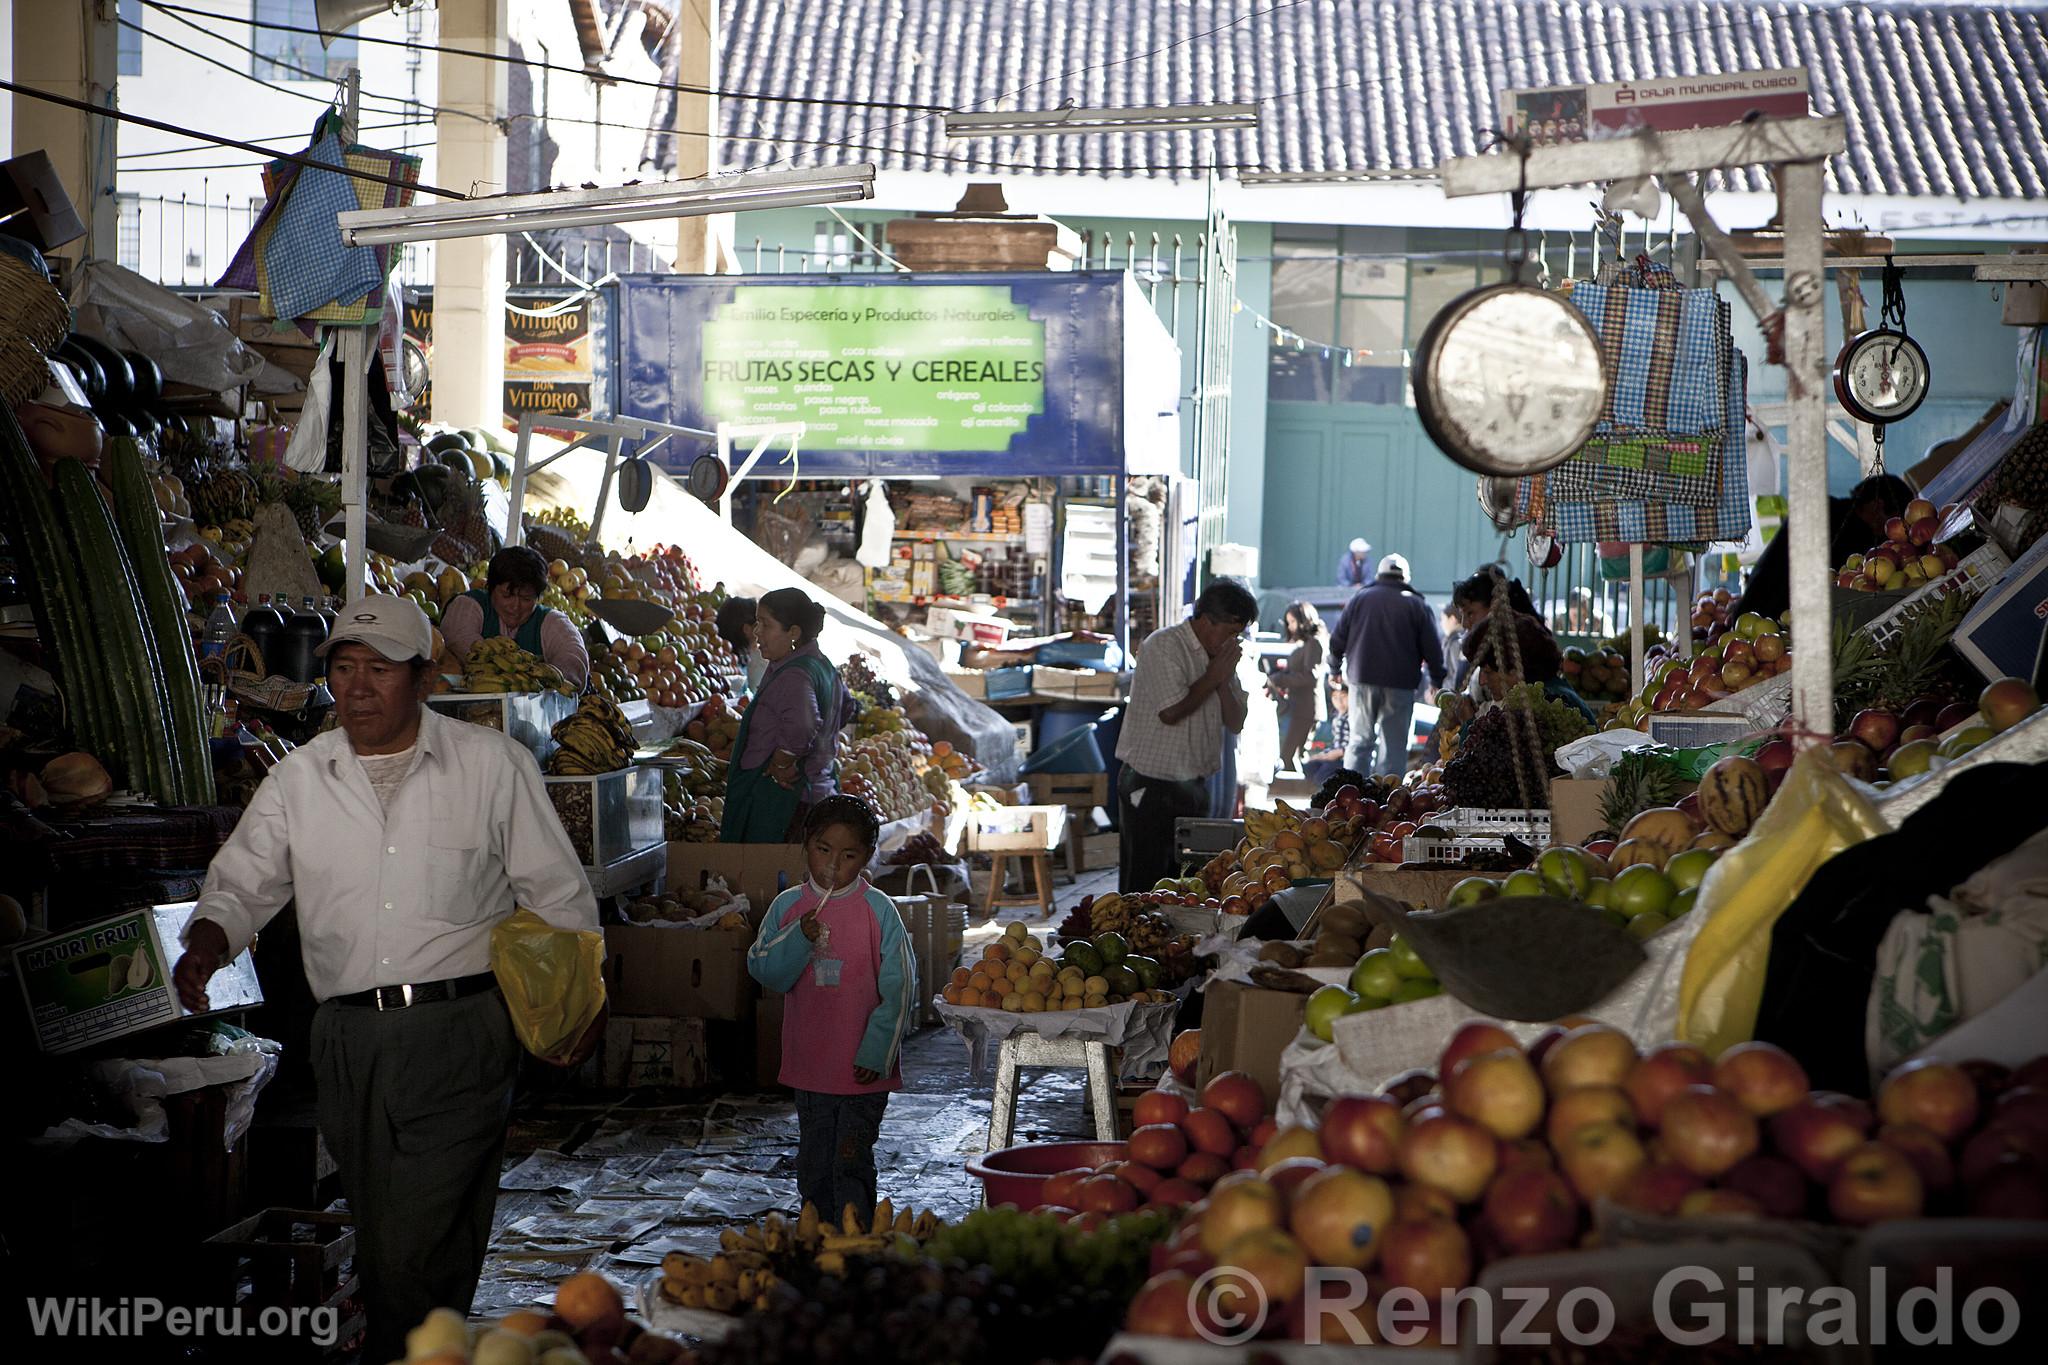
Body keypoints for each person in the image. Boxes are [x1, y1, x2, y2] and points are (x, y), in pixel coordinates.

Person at [170, 596, 598, 1365]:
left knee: (412, 1243)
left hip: (460, 1031)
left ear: (425, 678)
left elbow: (562, 902)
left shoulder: (492, 767)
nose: (357, 686)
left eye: (379, 669)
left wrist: (574, 1010)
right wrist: (205, 944)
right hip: (347, 1042)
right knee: (392, 1233)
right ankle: (432, 1345)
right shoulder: (301, 779)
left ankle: (406, 1350)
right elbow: (241, 883)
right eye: (343, 668)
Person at [746, 796, 914, 1220]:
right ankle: (817, 1238)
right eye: (824, 850)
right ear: (807, 845)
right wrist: (798, 938)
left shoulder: (879, 912)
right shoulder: (788, 908)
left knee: (852, 1161)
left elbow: (900, 988)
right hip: (811, 1069)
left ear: (867, 857)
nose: (833, 864)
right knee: (814, 1163)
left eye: (849, 854)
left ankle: (855, 1240)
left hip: (864, 1072)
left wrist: (878, 1051)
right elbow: (767, 971)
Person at [1116, 579, 1256, 894]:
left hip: (1195, 784)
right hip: (1149, 784)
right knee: (1145, 879)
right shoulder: (1163, 645)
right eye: (1230, 632)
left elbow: (1235, 722)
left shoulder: (1222, 659)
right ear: (1207, 621)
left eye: (1238, 634)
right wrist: (1214, 675)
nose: (1232, 641)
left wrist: (1222, 679)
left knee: (1189, 884)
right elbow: (1171, 712)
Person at [720, 587, 854, 843]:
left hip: (780, 801)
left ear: (793, 632)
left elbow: (803, 725)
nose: (756, 631)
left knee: (764, 877)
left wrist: (783, 762)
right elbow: (846, 708)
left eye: (765, 624)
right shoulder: (821, 664)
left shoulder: (794, 675)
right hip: (818, 789)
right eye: (757, 622)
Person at [1734, 473, 1912, 622]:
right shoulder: (1853, 533)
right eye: (1894, 522)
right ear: (1877, 506)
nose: (1892, 534)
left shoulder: (1824, 509)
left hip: (1753, 612)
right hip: (1773, 621)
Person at [1328, 554, 1446, 777]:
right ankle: (1387, 802)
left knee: (1359, 741)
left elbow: (1337, 639)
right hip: (1399, 684)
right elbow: (1432, 648)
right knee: (1394, 747)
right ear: (1405, 577)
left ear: (1378, 575)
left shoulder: (1360, 599)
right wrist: (1436, 680)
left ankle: (1351, 795)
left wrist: (1334, 669)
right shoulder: (1416, 604)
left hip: (1361, 680)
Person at [441, 545, 590, 689]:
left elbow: (574, 660)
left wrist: (551, 678)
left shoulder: (553, 622)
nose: (515, 606)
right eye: (507, 595)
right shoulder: (468, 605)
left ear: (538, 598)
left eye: (526, 598)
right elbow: (458, 641)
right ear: (490, 588)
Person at [1463, 610, 1600, 727]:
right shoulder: (1550, 691)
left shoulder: (1547, 704)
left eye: (1488, 672)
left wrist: (1469, 722)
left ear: (1516, 669)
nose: (1482, 681)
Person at [1269, 601, 1326, 773]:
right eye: (1288, 623)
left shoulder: (1313, 643)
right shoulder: (1307, 643)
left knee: (1290, 756)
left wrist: (1280, 678)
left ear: (1304, 620)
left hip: (1306, 708)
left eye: (1293, 622)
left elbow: (1310, 677)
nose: (1290, 627)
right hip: (1301, 707)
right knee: (1291, 757)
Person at [715, 593, 768, 692]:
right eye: (760, 625)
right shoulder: (736, 668)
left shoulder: (723, 657)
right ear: (747, 629)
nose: (762, 631)